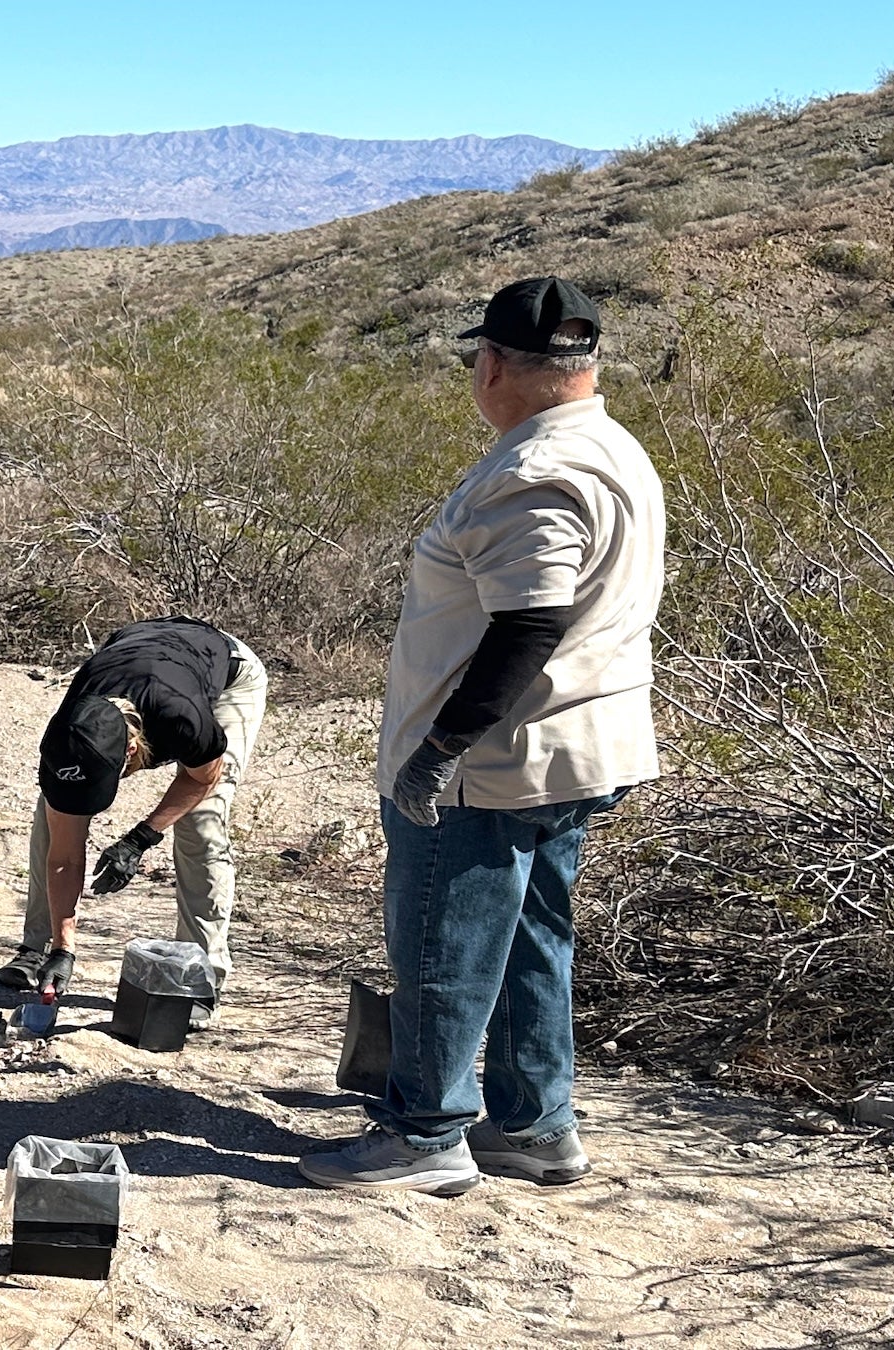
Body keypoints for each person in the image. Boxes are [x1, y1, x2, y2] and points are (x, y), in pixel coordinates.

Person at [299, 276, 663, 1195]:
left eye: (478, 359)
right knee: (536, 937)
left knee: (444, 946)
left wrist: (440, 748)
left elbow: (528, 623)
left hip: (494, 763)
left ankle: (426, 1132)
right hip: (578, 748)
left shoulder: (530, 469)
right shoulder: (616, 447)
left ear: (494, 364)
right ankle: (536, 1127)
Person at [0, 617, 269, 1027]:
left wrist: (140, 839)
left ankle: (198, 976)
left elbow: (202, 778)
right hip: (137, 654)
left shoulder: (184, 720)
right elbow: (64, 857)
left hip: (226, 672)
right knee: (52, 818)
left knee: (201, 821)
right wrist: (64, 946)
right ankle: (40, 951)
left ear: (130, 751)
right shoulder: (68, 729)